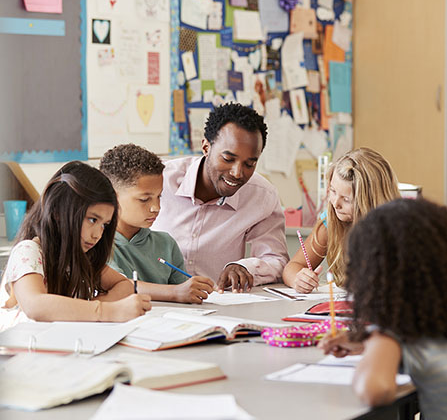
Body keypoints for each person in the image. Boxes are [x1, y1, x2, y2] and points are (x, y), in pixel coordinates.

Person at [319, 198, 447, 420]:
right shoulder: (436, 313)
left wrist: (380, 339)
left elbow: (375, 390)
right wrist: (368, 342)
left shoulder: (393, 328)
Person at [151, 102, 289, 292]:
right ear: (206, 147)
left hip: (217, 307)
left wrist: (244, 267)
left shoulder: (261, 196)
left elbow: (276, 260)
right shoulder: (159, 180)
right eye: (228, 159)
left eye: (250, 164)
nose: (238, 173)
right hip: (155, 302)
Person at [0, 161, 151, 330]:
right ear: (57, 212)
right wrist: (106, 311)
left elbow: (125, 285)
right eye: (92, 219)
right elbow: (35, 305)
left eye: (104, 225)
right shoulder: (28, 251)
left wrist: (82, 310)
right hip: (21, 350)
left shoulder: (80, 256)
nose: (98, 234)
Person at [100, 144, 215, 304]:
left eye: (159, 197)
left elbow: (185, 293)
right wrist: (174, 293)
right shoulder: (97, 243)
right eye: (144, 199)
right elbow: (119, 285)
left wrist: (195, 289)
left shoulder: (166, 243)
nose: (156, 208)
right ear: (112, 196)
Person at [283, 148, 400, 293]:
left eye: (346, 199)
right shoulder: (330, 221)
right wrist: (298, 279)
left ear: (371, 201)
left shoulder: (396, 229)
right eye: (332, 191)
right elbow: (293, 266)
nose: (335, 203)